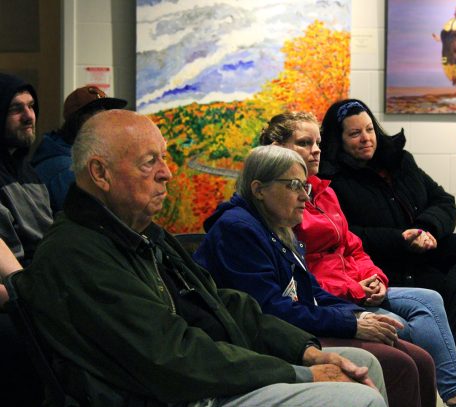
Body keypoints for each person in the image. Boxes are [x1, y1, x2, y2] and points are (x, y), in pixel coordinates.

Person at [12, 110, 387, 407]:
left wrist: (302, 350)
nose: (167, 173)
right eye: (149, 163)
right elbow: (171, 356)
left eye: (164, 159)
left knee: (363, 364)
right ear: (100, 173)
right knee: (357, 397)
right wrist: (299, 373)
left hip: (203, 376)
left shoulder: (141, 233)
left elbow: (222, 302)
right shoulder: (77, 253)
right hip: (174, 395)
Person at [259, 111, 456, 407]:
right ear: (277, 147)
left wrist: (374, 277)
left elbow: (353, 246)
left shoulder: (324, 192)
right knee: (402, 324)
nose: (315, 150)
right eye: (304, 142)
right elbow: (305, 271)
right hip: (333, 296)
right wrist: (355, 290)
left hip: (355, 283)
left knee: (430, 299)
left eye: (317, 143)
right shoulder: (281, 200)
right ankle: (444, 398)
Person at [194, 145, 437, 407]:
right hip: (263, 342)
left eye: (305, 187)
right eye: (294, 185)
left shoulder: (278, 226)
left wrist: (357, 314)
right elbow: (269, 311)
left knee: (422, 360)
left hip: (294, 327)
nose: (304, 197)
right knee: (399, 364)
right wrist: (351, 324)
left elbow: (311, 291)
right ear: (259, 189)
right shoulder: (238, 229)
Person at [319, 99, 456, 406]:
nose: (366, 138)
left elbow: (443, 200)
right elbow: (348, 234)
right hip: (384, 263)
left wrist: (428, 228)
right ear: (339, 140)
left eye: (369, 129)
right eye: (354, 134)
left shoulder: (401, 161)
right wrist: (400, 239)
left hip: (424, 248)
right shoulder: (334, 181)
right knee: (444, 294)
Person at [0, 72, 51, 406]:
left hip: (42, 281)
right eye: (16, 108)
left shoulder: (28, 170)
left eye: (31, 106)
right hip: (20, 291)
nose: (29, 116)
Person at [31, 85, 127, 213]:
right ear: (76, 121)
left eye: (107, 116)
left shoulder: (71, 154)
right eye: (96, 117)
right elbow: (92, 221)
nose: (106, 125)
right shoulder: (65, 169)